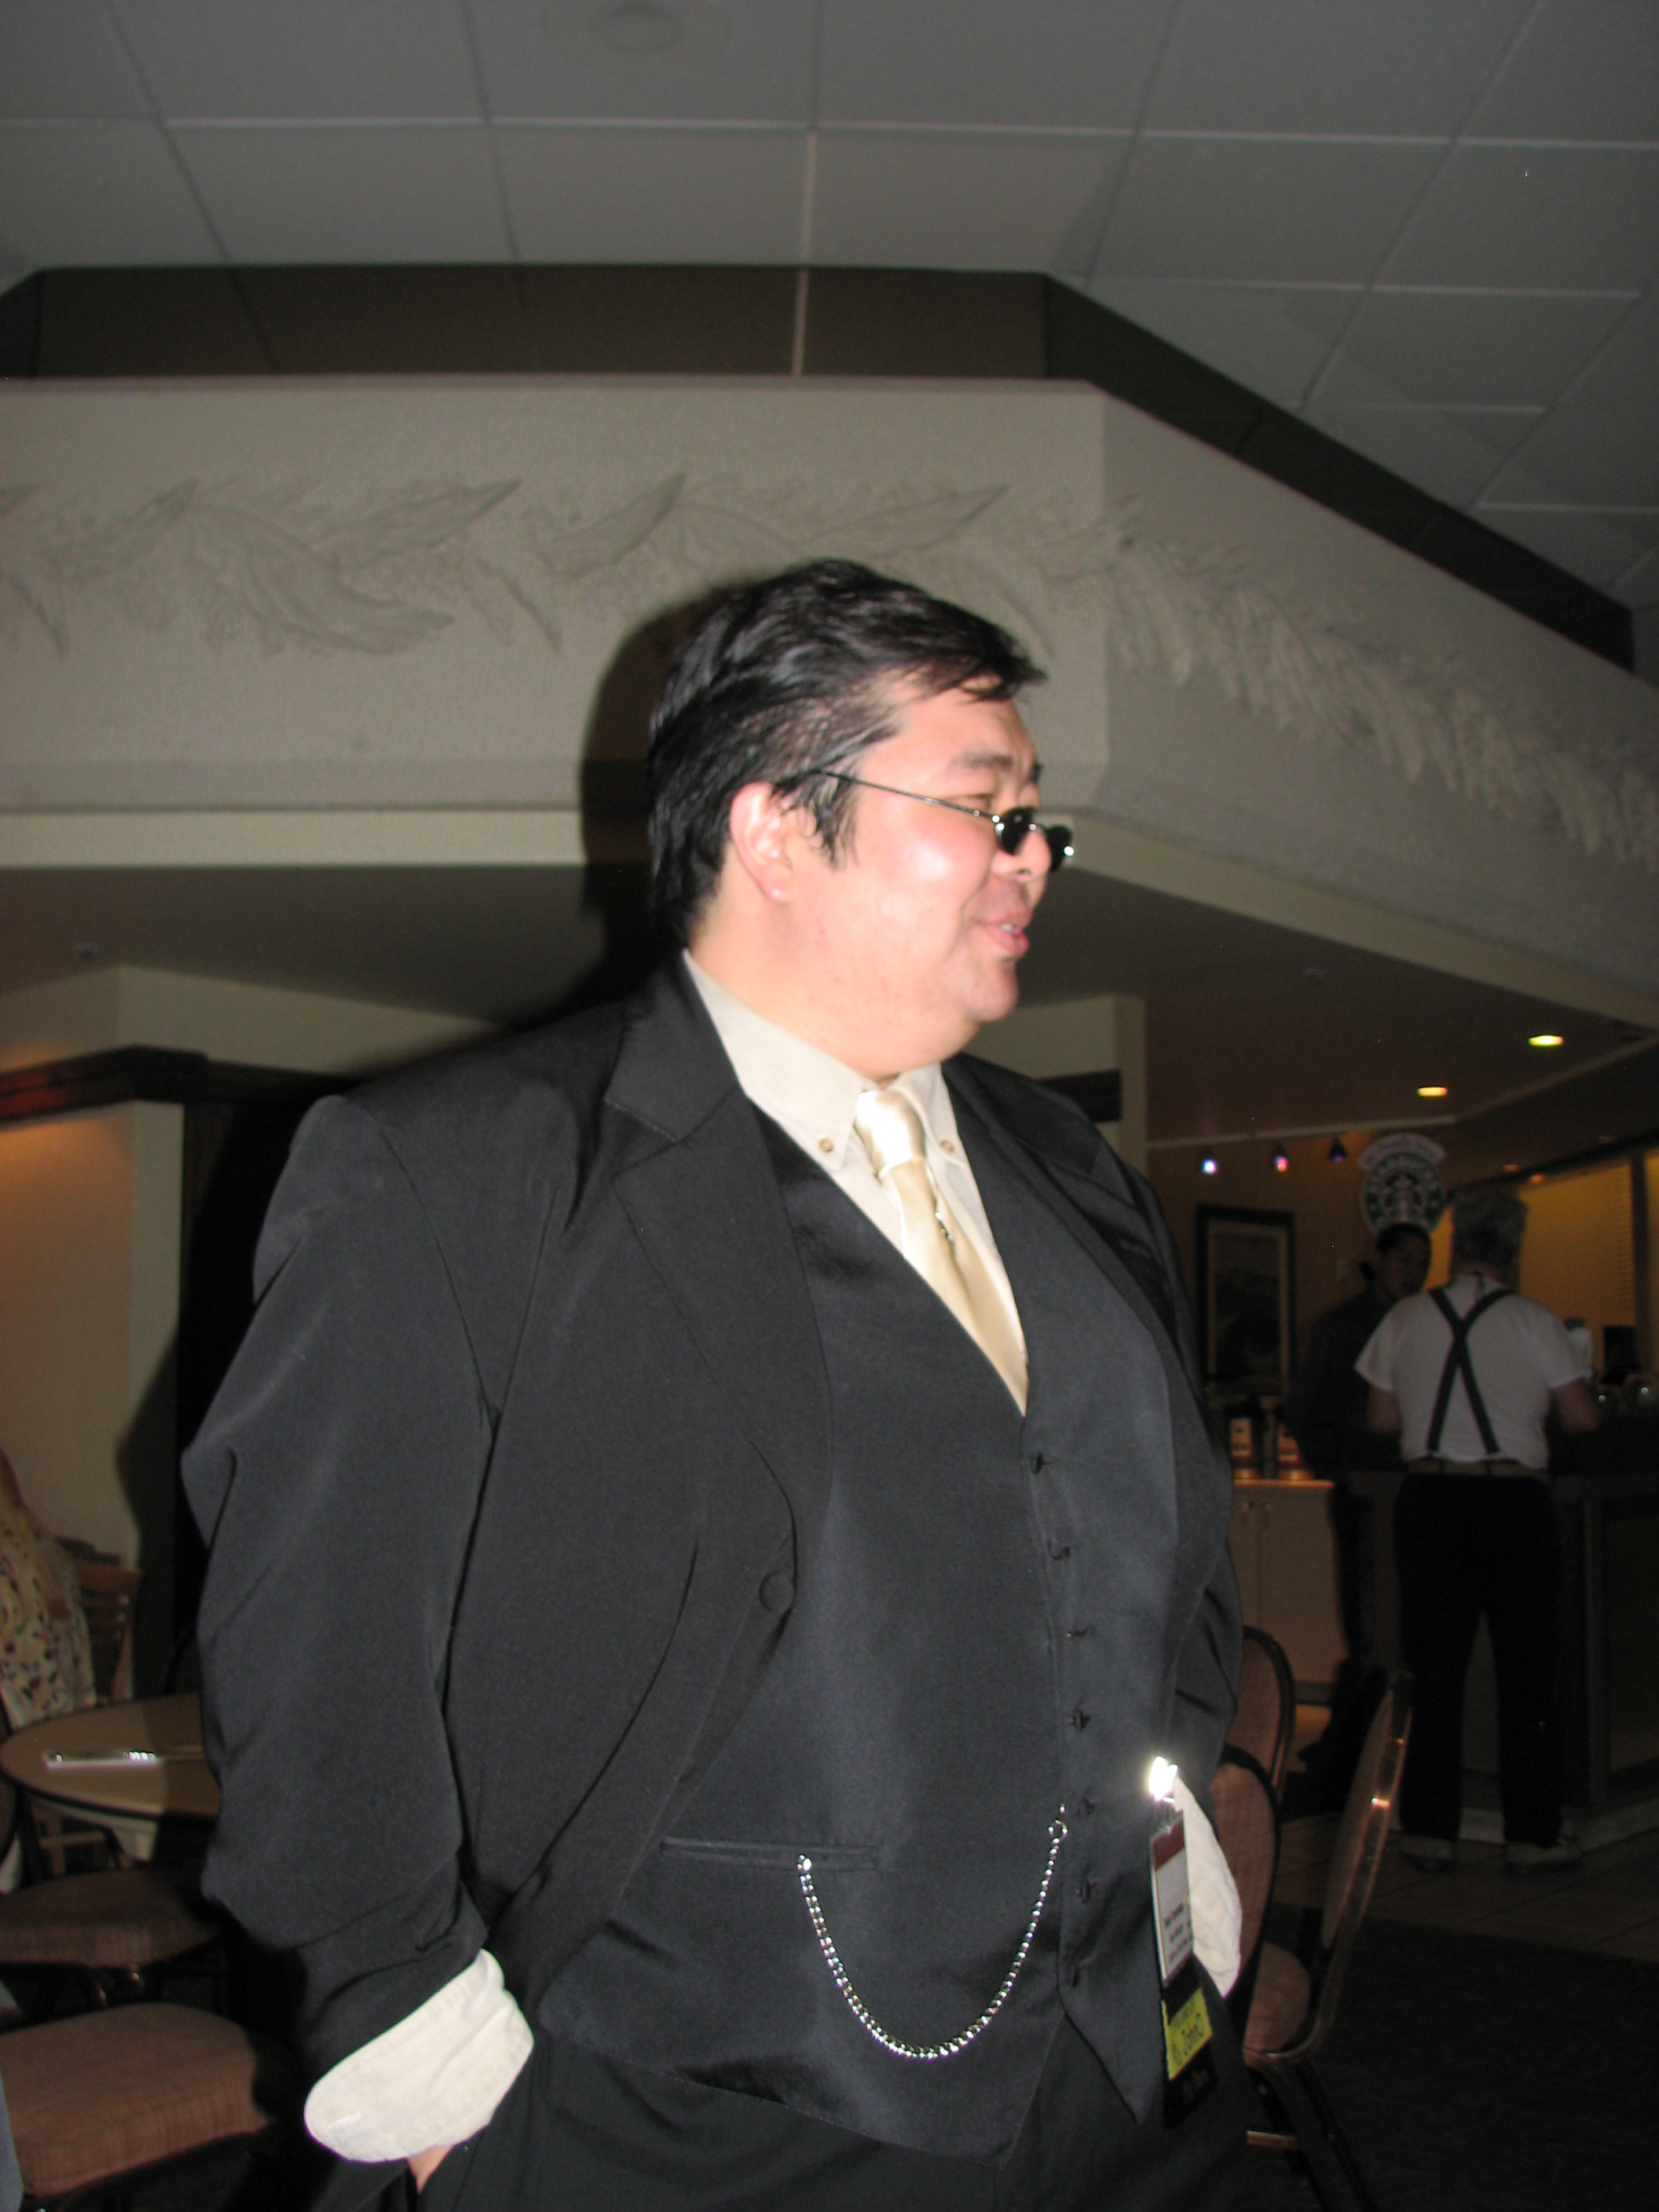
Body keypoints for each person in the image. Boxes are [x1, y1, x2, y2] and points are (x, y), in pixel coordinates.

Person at [184, 561, 1250, 2212]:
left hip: (1133, 2082)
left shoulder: (1069, 1166)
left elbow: (1165, 1568)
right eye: (984, 806)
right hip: (699, 2119)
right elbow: (315, 1671)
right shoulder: (459, 1172)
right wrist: (440, 2087)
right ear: (773, 829)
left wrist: (1181, 1858)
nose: (1033, 854)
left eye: (1036, 816)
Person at [1357, 1184, 1599, 1873]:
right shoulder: (1534, 1321)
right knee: (1528, 1672)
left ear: (1456, 1246)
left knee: (1434, 1670)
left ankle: (1430, 1829)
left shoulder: (1405, 1317)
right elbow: (1582, 1418)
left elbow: (1380, 1420)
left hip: (1430, 1499)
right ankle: (1532, 1835)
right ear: (1512, 1251)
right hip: (1514, 1502)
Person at [1283, 1223, 1431, 1800]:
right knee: (1371, 1621)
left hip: (1406, 1488)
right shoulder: (1345, 1327)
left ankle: (1371, 1746)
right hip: (1366, 1489)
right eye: (1405, 1261)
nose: (1413, 1273)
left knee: (1397, 1618)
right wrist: (1343, 1468)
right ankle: (1357, 1751)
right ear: (1382, 1259)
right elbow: (1303, 1410)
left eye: (1422, 1263)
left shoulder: (1420, 1323)